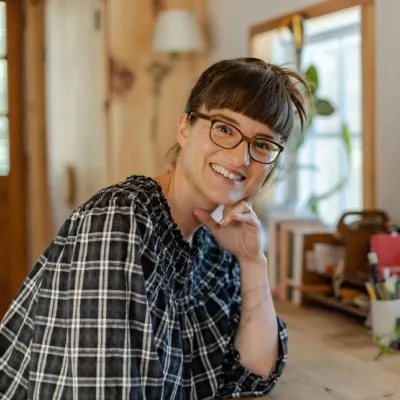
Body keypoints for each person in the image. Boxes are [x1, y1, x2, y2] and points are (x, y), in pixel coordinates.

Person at [0, 57, 309, 399]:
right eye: (224, 128)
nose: (241, 158)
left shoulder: (217, 244)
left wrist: (253, 263)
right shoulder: (119, 221)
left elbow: (255, 373)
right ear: (185, 127)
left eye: (262, 144)